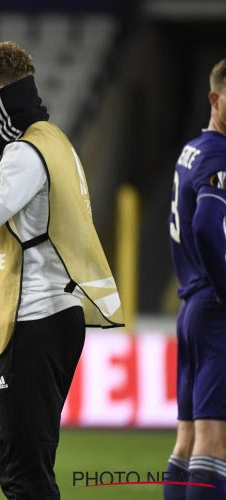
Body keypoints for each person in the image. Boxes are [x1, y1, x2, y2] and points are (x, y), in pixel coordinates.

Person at [0, 41, 124, 498]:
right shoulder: (53, 141)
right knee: (26, 464)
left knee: (24, 472)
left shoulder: (25, 153)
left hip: (41, 323)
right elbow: (44, 247)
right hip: (47, 314)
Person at [164, 58, 226, 500]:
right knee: (214, 442)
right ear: (214, 99)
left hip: (191, 305)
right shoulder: (220, 156)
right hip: (214, 307)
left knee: (186, 441)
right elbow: (206, 225)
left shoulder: (193, 150)